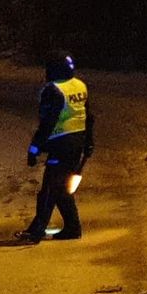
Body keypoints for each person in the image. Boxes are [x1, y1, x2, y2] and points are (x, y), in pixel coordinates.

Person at [16, 52, 94, 243]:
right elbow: (88, 116)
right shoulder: (79, 85)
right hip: (78, 142)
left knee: (50, 188)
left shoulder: (53, 90)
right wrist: (90, 142)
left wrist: (34, 148)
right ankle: (72, 227)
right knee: (60, 187)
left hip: (61, 143)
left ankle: (36, 231)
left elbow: (47, 122)